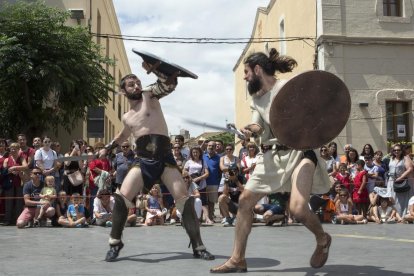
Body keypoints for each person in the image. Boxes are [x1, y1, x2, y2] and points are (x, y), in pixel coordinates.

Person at [210, 48, 332, 273]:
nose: (245, 77)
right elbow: (257, 125)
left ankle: (323, 238)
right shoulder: (257, 99)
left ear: (257, 69)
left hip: (300, 152)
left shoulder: (288, 88)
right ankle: (238, 259)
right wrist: (250, 130)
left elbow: (313, 115)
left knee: (297, 208)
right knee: (246, 201)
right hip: (273, 156)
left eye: (246, 72)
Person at [102, 65, 214, 262]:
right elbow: (123, 136)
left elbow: (169, 84)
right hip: (143, 159)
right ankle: (115, 242)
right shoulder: (127, 117)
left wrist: (155, 69)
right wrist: (108, 148)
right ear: (123, 91)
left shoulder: (149, 95)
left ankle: (198, 246)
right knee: (121, 199)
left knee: (184, 200)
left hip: (165, 158)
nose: (136, 85)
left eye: (137, 81)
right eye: (130, 84)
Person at [183, 146, 210, 224]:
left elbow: (207, 173)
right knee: (193, 201)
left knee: (204, 202)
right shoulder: (188, 162)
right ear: (191, 153)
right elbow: (184, 172)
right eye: (193, 152)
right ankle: (195, 218)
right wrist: (190, 178)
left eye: (196, 152)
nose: (195, 154)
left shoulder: (203, 161)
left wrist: (198, 178)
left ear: (199, 153)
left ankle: (207, 218)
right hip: (190, 184)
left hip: (201, 184)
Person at [387, 143, 413, 217]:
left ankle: (403, 215)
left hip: (402, 182)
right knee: (393, 198)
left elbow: (410, 169)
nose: (396, 151)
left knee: (402, 200)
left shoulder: (405, 158)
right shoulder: (391, 158)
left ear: (401, 151)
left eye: (398, 150)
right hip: (392, 181)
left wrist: (401, 177)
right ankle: (396, 216)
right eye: (395, 150)